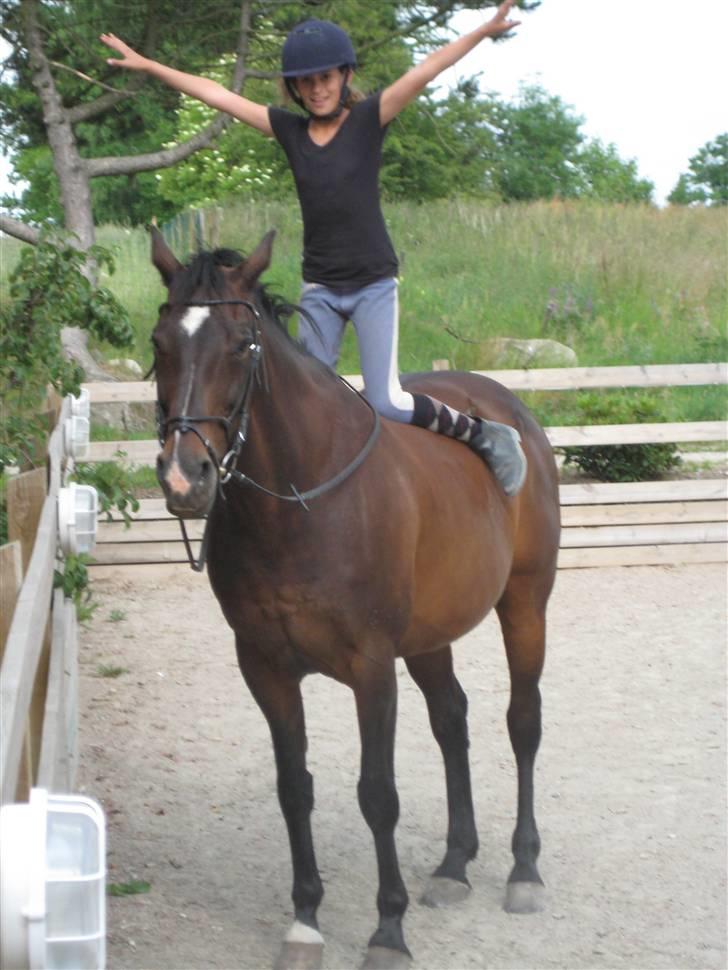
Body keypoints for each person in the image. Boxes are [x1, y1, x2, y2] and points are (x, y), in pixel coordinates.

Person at [101, 0, 527, 495]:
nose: (317, 88)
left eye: (326, 77)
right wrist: (151, 65)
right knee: (307, 403)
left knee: (386, 400)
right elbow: (217, 95)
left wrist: (484, 29)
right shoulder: (290, 131)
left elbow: (428, 68)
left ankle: (484, 434)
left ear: (345, 76)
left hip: (371, 285)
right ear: (295, 89)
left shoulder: (369, 119)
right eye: (306, 81)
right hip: (320, 288)